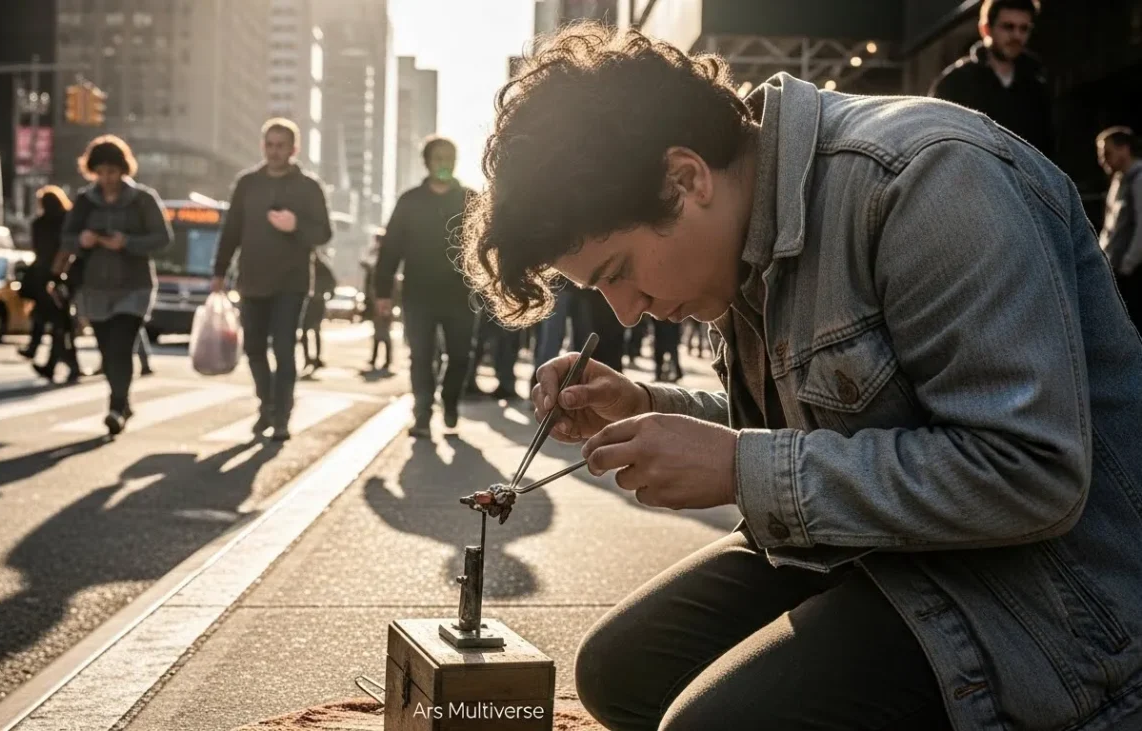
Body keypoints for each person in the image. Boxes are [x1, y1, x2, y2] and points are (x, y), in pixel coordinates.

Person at [461, 24, 1142, 731]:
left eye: (619, 272)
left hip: (1049, 608)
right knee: (619, 670)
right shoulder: (746, 225)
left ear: (685, 179)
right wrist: (644, 404)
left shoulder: (929, 177)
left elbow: (1032, 470)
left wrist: (739, 468)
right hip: (886, 552)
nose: (627, 313)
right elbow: (831, 420)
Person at [212, 118, 332, 440]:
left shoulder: (309, 186)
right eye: (270, 145)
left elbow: (324, 233)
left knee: (283, 348)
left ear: (294, 149)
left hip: (291, 283)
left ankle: (281, 416)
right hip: (252, 279)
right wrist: (219, 272)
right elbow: (231, 230)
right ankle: (266, 404)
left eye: (281, 146)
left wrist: (296, 226)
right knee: (253, 348)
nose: (275, 151)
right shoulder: (247, 183)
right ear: (262, 146)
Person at [61, 135, 172, 436]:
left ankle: (115, 407)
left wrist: (128, 242)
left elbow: (163, 238)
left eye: (112, 171)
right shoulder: (85, 201)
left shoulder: (143, 199)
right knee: (107, 351)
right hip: (95, 288)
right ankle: (122, 402)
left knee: (122, 346)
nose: (107, 178)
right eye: (100, 172)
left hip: (134, 287)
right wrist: (82, 240)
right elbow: (66, 238)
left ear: (123, 170)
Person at [375, 136, 476, 438]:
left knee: (460, 355)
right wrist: (382, 293)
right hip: (418, 294)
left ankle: (450, 400)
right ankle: (422, 413)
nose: (444, 164)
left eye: (449, 158)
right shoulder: (410, 201)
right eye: (438, 158)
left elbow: (486, 246)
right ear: (427, 162)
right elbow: (390, 249)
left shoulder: (470, 200)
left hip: (460, 294)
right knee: (421, 356)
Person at [929, 0, 1054, 157]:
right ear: (986, 29)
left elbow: (1047, 149)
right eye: (1008, 26)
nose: (1016, 35)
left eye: (1024, 28)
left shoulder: (1037, 86)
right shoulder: (955, 82)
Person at [26, 186, 81, 383]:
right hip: (65, 276)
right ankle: (65, 365)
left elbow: (38, 249)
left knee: (57, 323)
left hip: (48, 277)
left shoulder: (39, 224)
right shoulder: (68, 219)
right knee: (61, 324)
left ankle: (56, 362)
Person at [1097, 126, 1142, 331]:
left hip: (1132, 273)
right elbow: (1110, 227)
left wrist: (1127, 264)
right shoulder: (1117, 180)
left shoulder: (1139, 179)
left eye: (1107, 153)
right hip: (1115, 269)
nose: (1102, 160)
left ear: (1124, 149)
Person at [362, 233, 393, 371]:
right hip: (376, 299)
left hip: (384, 299)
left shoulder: (386, 258)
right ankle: (376, 358)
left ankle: (387, 360)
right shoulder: (375, 255)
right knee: (377, 331)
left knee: (384, 332)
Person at [301, 251, 336, 373]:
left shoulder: (321, 267)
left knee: (314, 330)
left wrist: (327, 295)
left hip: (315, 302)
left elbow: (332, 283)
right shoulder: (305, 265)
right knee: (307, 331)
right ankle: (309, 358)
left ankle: (315, 358)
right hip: (308, 302)